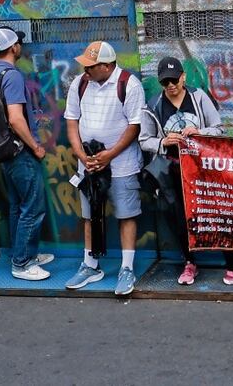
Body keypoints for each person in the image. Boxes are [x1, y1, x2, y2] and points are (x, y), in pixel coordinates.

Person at [139, 56, 233, 286]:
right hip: (171, 170)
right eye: (166, 82)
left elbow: (219, 128)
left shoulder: (198, 97)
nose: (171, 86)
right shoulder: (154, 105)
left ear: (183, 77)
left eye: (175, 80)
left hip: (203, 171)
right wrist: (164, 142)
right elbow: (144, 139)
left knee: (219, 213)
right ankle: (189, 263)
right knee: (179, 217)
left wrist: (199, 132)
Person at [64, 41, 146, 296]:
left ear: (107, 66)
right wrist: (80, 154)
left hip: (122, 164)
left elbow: (135, 126)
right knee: (89, 215)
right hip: (88, 163)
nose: (85, 69)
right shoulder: (80, 84)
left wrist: (110, 155)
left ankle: (127, 268)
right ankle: (90, 265)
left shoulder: (129, 85)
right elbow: (71, 120)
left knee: (126, 214)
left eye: (91, 65)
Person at [0, 26, 53, 281]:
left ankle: (24, 252)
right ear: (13, 48)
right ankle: (22, 263)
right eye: (19, 43)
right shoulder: (12, 76)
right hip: (19, 150)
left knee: (17, 206)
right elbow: (15, 119)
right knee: (32, 206)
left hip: (3, 152)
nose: (21, 46)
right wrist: (35, 146)